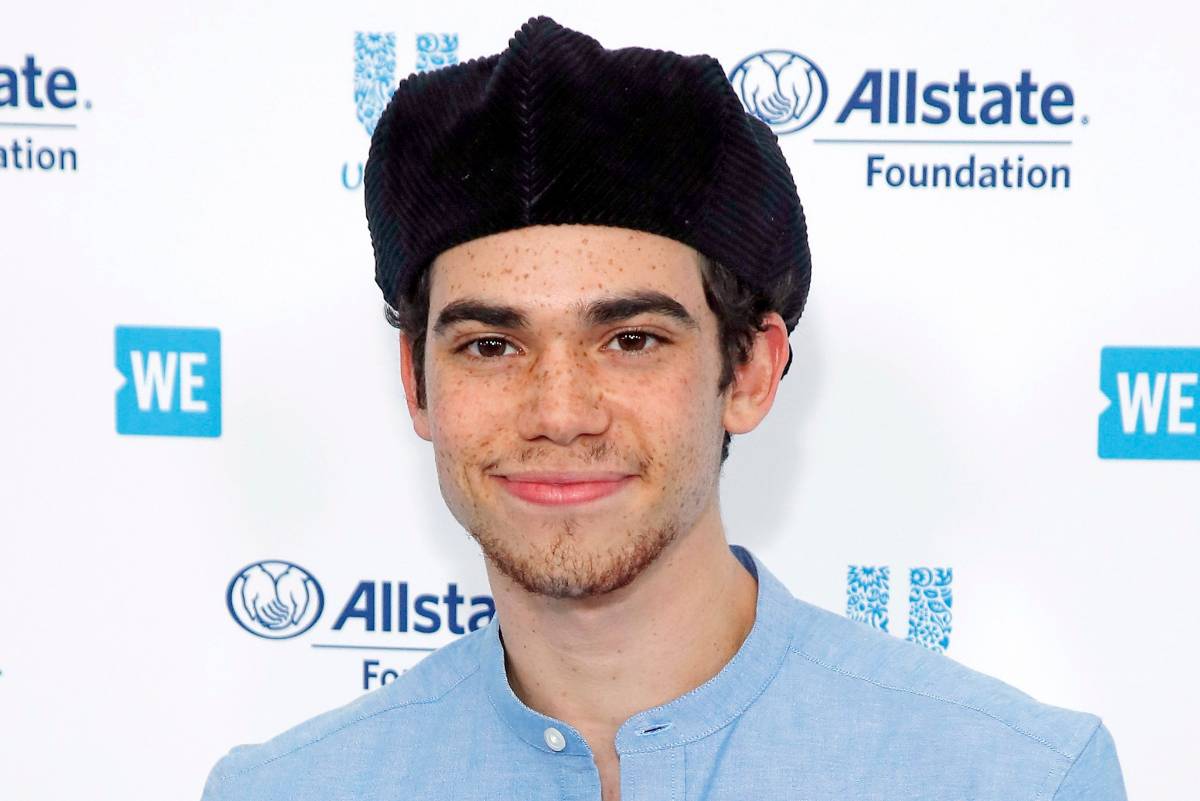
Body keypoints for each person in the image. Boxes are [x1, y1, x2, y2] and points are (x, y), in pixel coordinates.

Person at [201, 15, 1127, 801]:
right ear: (417, 384)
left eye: (631, 339)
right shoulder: (288, 789)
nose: (561, 412)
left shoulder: (1014, 778)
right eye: (491, 345)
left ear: (750, 371)